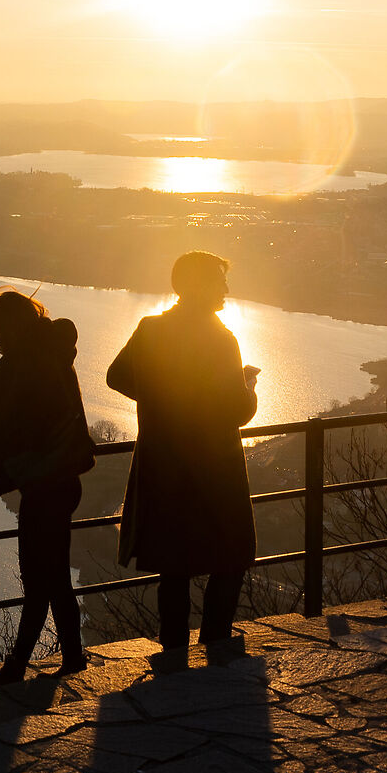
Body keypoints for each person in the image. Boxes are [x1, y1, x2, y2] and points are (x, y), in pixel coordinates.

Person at [106, 251, 259, 673]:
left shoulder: (150, 329)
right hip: (214, 466)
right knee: (232, 554)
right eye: (220, 280)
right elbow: (237, 410)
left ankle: (173, 652)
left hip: (163, 463)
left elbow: (116, 376)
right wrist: (248, 385)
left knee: (172, 565)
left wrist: (160, 399)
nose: (226, 289)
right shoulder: (220, 338)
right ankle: (215, 642)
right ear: (202, 285)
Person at [0, 286, 97, 688]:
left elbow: (17, 428)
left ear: (12, 328)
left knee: (37, 579)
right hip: (63, 479)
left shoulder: (26, 364)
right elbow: (31, 416)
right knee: (55, 577)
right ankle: (71, 656)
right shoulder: (51, 353)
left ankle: (17, 665)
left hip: (44, 485)